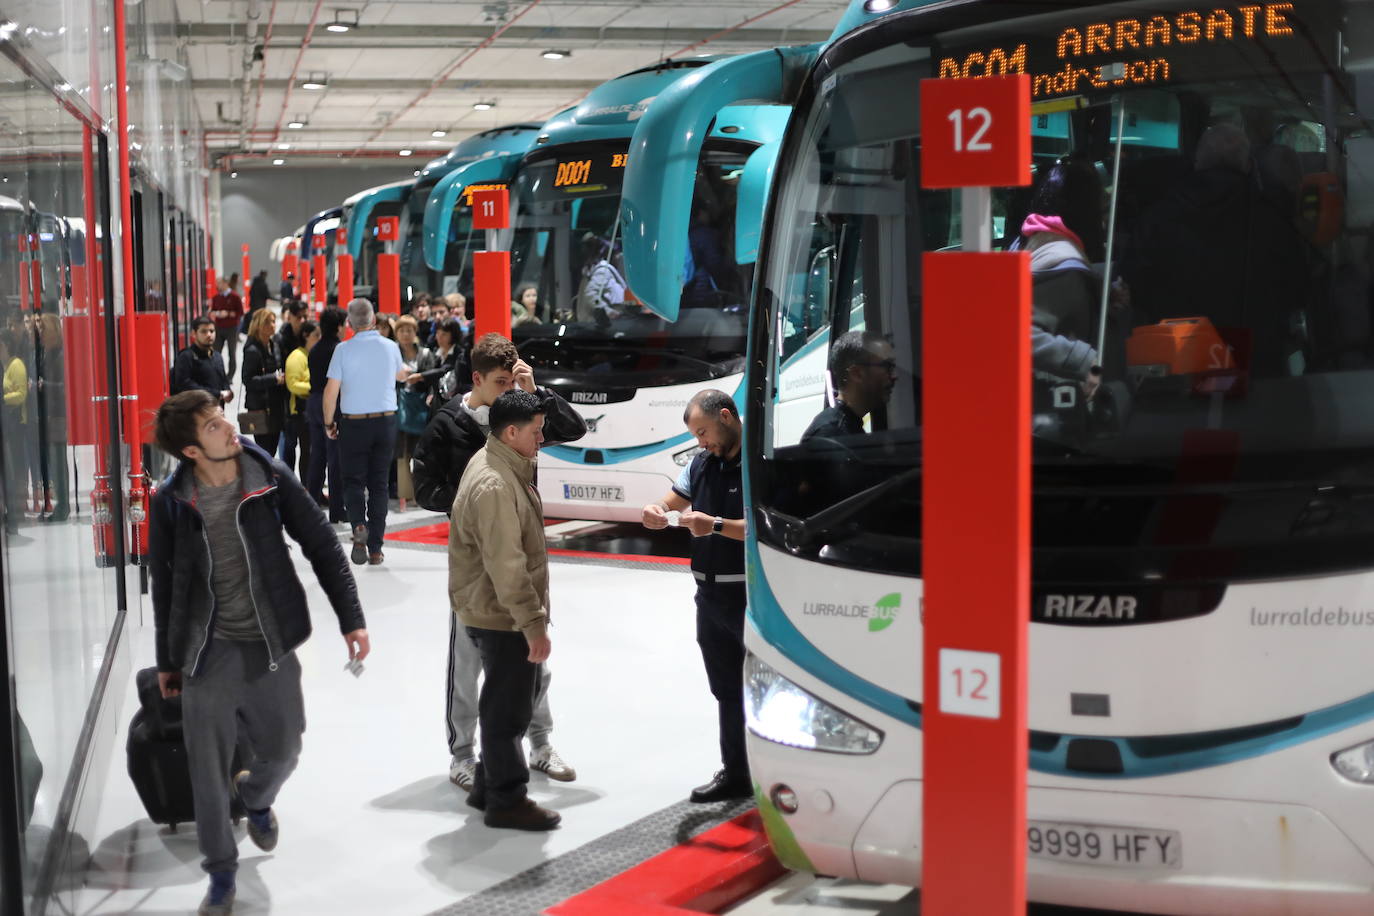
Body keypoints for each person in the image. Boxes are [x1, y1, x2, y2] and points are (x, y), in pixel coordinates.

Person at [148, 389, 368, 916]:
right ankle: (221, 873)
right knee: (205, 766)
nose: (228, 429)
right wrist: (167, 660)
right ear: (192, 452)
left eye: (222, 418)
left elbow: (320, 541)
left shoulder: (265, 475)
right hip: (207, 649)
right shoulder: (170, 502)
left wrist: (351, 617)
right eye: (212, 427)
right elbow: (164, 583)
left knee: (285, 749)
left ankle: (257, 796)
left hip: (269, 640)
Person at [411, 333, 586, 791]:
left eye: (514, 378)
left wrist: (537, 388)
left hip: (522, 548)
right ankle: (462, 753)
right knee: (467, 662)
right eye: (501, 381)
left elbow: (573, 427)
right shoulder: (449, 422)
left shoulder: (523, 414)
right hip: (474, 562)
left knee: (533, 658)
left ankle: (541, 743)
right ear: (477, 379)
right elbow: (424, 485)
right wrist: (470, 508)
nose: (508, 387)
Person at [448, 388, 561, 831]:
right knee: (507, 710)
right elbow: (507, 563)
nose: (542, 438)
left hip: (488, 607)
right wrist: (533, 624)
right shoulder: (496, 482)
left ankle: (485, 786)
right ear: (511, 432)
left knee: (502, 700)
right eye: (536, 431)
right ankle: (506, 799)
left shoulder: (499, 463)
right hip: (500, 613)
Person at [640, 389, 751, 803]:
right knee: (725, 689)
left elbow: (762, 526)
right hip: (707, 595)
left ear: (726, 416)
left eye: (703, 432)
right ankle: (737, 772)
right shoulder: (701, 463)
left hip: (748, 594)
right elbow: (672, 499)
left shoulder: (757, 462)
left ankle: (773, 769)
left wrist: (716, 525)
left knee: (763, 688)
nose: (701, 442)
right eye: (696, 435)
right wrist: (654, 510)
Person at [322, 298, 408, 566]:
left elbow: (330, 392)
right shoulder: (390, 346)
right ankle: (376, 549)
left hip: (353, 423)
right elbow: (401, 376)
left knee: (353, 481)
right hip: (385, 422)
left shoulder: (342, 351)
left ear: (349, 323)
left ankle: (359, 524)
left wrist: (328, 423)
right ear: (373, 320)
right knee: (379, 484)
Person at [1016, 158, 1106, 390]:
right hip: (1051, 405)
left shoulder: (1032, 243)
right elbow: (1017, 335)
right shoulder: (1064, 264)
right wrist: (1088, 362)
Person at [802, 331, 897, 441]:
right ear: (857, 373)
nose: (895, 376)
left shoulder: (846, 427)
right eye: (887, 366)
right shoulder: (830, 434)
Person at [306, 307, 346, 521]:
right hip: (332, 403)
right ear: (339, 326)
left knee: (317, 457)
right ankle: (337, 510)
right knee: (335, 459)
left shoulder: (315, 349)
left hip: (313, 403)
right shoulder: (339, 349)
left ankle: (312, 506)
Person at [393, 315, 435, 512]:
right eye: (402, 331)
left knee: (421, 452)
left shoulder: (425, 354)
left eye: (409, 330)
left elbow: (433, 380)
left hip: (420, 407)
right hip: (398, 407)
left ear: (415, 332)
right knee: (402, 453)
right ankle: (405, 495)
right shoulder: (392, 354)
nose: (405, 334)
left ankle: (420, 493)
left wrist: (420, 381)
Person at [36, 314, 68, 521]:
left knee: (58, 462)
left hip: (58, 417)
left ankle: (63, 506)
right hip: (51, 416)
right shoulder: (48, 354)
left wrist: (43, 385)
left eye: (44, 332)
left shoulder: (60, 356)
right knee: (55, 463)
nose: (42, 337)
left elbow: (65, 387)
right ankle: (61, 505)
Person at [241, 309, 287, 453]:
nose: (272, 325)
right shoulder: (252, 350)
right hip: (260, 408)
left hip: (276, 406)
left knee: (272, 450)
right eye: (267, 322)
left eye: (273, 321)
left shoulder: (275, 345)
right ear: (258, 325)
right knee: (263, 451)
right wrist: (273, 379)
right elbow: (248, 380)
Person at [172, 316, 233, 407]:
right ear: (194, 333)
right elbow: (185, 385)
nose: (209, 335)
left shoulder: (217, 356)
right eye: (204, 331)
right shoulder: (186, 357)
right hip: (196, 412)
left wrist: (227, 391)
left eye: (212, 331)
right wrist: (217, 394)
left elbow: (223, 379)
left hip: (217, 410)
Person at [282, 320, 317, 479]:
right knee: (307, 451)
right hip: (300, 412)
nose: (319, 338)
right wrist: (314, 388)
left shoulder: (311, 355)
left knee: (312, 451)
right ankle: (306, 488)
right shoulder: (297, 357)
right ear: (306, 336)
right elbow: (293, 384)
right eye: (316, 335)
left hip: (312, 409)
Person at [1, 331, 27, 534]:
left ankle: (15, 514)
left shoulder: (16, 365)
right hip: (9, 424)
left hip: (14, 425)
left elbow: (21, 394)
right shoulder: (5, 366)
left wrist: (4, 398)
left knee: (12, 471)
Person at [574, 233, 625, 324]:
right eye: (617, 254)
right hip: (603, 325)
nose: (619, 256)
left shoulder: (595, 270)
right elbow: (590, 293)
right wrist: (608, 311)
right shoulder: (603, 271)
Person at [409, 316, 463, 398]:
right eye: (438, 333)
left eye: (444, 334)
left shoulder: (459, 353)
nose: (439, 337)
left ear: (453, 335)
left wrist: (420, 376)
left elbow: (443, 370)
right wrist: (431, 393)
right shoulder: (436, 352)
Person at [210, 278, 245, 378]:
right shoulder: (216, 297)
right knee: (216, 352)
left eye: (219, 283)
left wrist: (228, 314)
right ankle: (217, 374)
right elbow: (212, 311)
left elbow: (240, 312)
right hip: (219, 327)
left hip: (231, 328)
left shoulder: (235, 297)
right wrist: (217, 313)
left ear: (226, 283)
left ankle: (230, 376)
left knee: (231, 352)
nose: (218, 286)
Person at [274, 299, 307, 365]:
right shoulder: (280, 338)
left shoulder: (310, 335)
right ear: (289, 318)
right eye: (299, 317)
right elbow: (278, 363)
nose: (303, 320)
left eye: (305, 317)